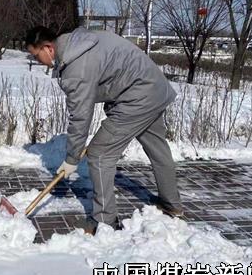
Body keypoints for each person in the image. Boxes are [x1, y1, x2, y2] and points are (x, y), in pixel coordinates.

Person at [25, 25, 183, 234]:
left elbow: (80, 117)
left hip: (138, 96)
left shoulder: (75, 66)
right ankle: (171, 204)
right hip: (154, 88)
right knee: (158, 149)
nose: (37, 61)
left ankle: (104, 220)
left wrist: (72, 158)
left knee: (100, 154)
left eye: (36, 56)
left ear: (48, 48)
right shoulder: (80, 42)